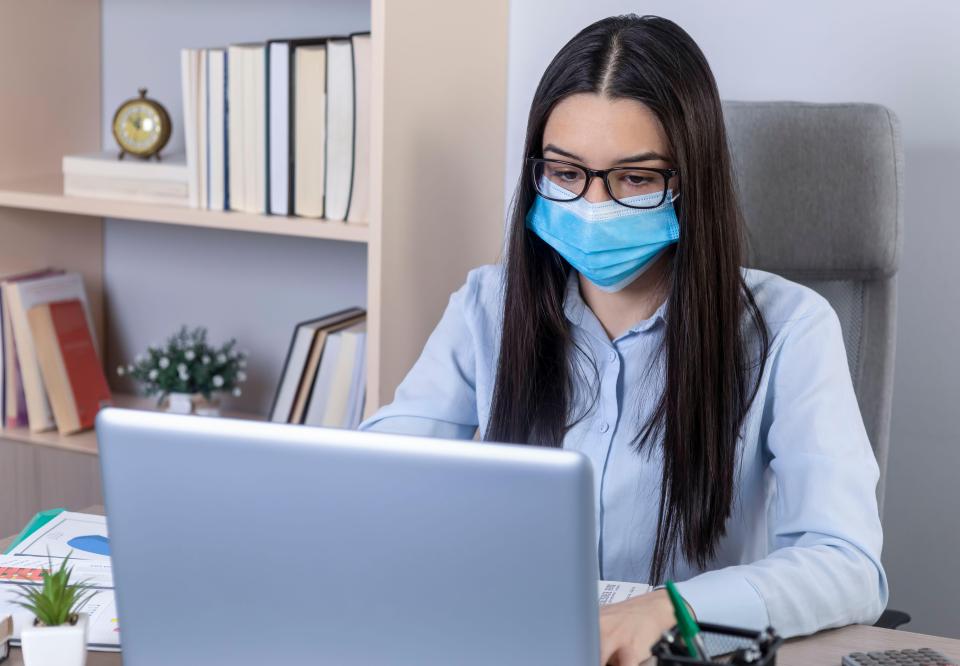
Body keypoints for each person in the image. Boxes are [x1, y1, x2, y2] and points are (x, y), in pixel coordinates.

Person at [361, 14, 886, 665]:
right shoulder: (487, 306)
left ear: (692, 184)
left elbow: (848, 564)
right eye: (566, 172)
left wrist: (672, 607)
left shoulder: (791, 328)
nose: (591, 205)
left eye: (635, 179)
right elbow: (374, 483)